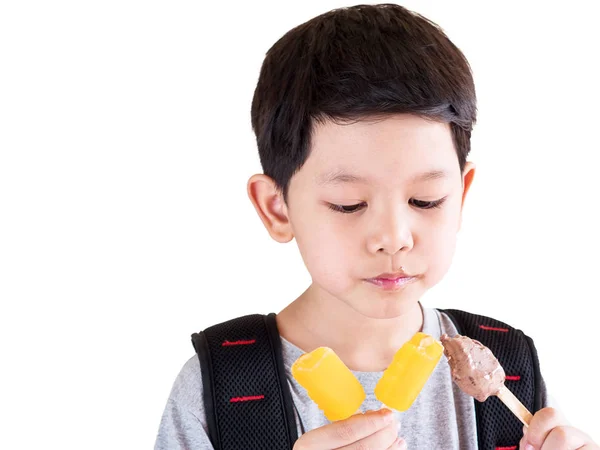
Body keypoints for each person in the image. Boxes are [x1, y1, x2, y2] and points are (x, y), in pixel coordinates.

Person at [155, 4, 598, 449]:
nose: (394, 238)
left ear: (461, 196)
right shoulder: (221, 389)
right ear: (277, 208)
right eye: (349, 205)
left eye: (426, 200)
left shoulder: (512, 370)